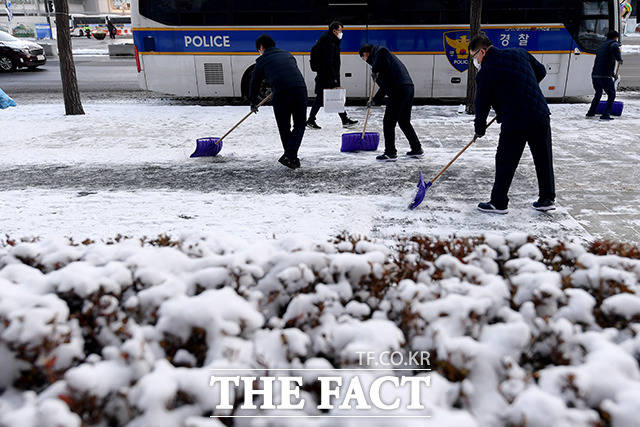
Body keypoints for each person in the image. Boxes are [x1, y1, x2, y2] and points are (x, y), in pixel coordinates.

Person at [470, 34, 556, 214]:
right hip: (540, 113)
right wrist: (524, 86)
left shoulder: (486, 71)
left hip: (516, 119)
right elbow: (540, 71)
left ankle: (498, 202)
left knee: (505, 160)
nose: (475, 61)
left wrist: (479, 129)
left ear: (483, 51)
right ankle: (547, 198)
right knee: (543, 157)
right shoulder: (519, 52)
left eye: (475, 56)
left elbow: (482, 103)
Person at [249, 35, 308, 170]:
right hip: (300, 89)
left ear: (261, 47)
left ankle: (289, 155)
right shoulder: (288, 55)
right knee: (300, 124)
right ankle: (291, 157)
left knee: (284, 127)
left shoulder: (262, 60)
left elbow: (254, 83)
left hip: (282, 93)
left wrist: (253, 101)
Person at [358, 44, 423, 162]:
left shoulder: (379, 52)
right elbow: (384, 87)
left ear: (366, 53)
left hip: (398, 89)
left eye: (363, 58)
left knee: (388, 122)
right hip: (407, 88)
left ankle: (390, 152)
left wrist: (375, 69)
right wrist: (375, 100)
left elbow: (382, 51)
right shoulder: (384, 63)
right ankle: (416, 148)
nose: (365, 61)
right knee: (404, 121)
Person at [306, 21, 358, 130]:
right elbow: (329, 63)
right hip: (327, 76)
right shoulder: (329, 43)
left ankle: (311, 120)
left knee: (322, 98)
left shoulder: (330, 41)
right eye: (340, 31)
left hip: (324, 75)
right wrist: (334, 79)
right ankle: (344, 120)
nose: (341, 33)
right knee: (334, 96)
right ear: (334, 31)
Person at [586, 30, 623, 121]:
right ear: (615, 37)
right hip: (604, 75)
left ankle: (591, 112)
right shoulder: (613, 44)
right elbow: (615, 49)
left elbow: (603, 60)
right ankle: (606, 114)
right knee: (611, 94)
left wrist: (612, 74)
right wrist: (619, 59)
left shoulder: (602, 45)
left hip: (595, 74)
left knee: (598, 93)